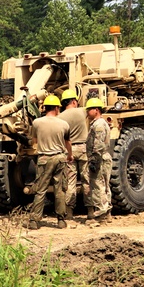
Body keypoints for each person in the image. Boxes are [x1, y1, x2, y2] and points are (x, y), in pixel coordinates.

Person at [27, 94, 73, 230]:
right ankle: (61, 221)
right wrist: (69, 155)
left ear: (44, 107)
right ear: (57, 108)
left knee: (40, 190)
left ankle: (34, 221)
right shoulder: (64, 124)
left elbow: (34, 140)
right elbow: (67, 143)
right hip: (59, 158)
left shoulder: (37, 122)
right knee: (60, 190)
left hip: (43, 159)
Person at [58, 89, 90, 225]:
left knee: (70, 182)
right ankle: (91, 212)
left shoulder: (60, 117)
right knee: (87, 180)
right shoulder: (82, 112)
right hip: (83, 149)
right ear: (74, 101)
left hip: (69, 150)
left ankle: (69, 213)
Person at [85, 97, 113, 225]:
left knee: (98, 186)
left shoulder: (99, 124)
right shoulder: (98, 123)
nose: (87, 112)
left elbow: (99, 144)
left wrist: (94, 160)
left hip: (100, 157)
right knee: (105, 186)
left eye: (89, 109)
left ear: (96, 110)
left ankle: (101, 215)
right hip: (103, 157)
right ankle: (107, 214)